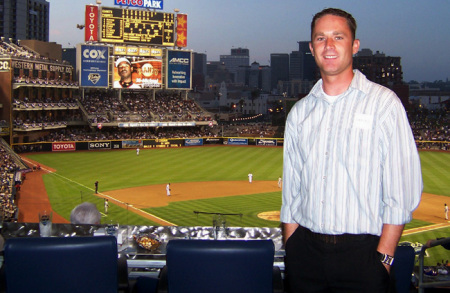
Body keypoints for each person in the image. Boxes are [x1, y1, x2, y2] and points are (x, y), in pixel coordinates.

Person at [281, 8, 423, 293]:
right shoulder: (300, 112)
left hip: (363, 257)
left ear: (354, 45)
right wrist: (292, 248)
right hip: (305, 255)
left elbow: (402, 190)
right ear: (311, 48)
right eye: (320, 38)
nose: (329, 46)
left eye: (338, 37)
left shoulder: (384, 104)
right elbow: (291, 192)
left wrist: (383, 259)